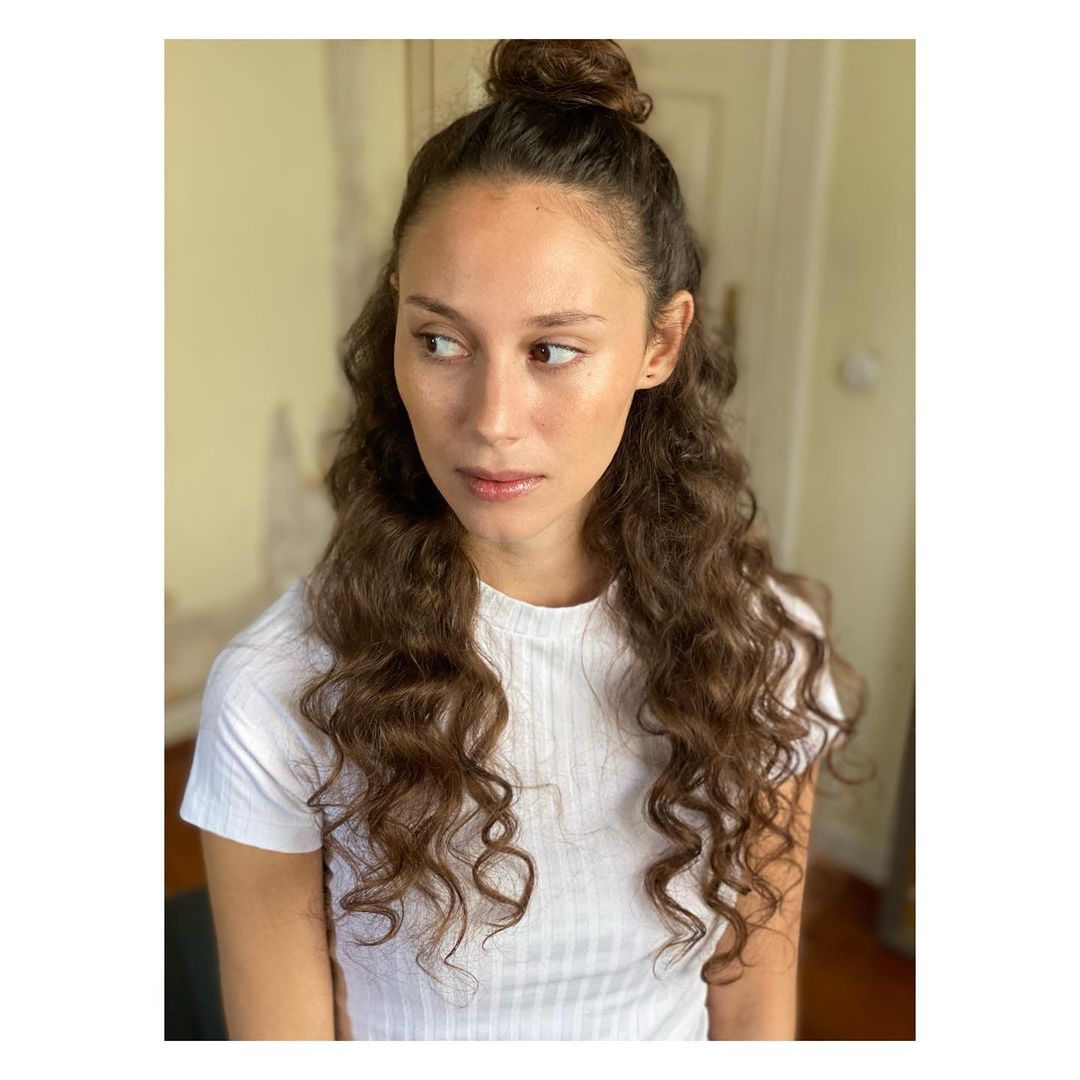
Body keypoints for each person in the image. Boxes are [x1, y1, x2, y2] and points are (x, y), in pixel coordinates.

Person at [179, 38, 864, 1041]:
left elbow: (756, 1005)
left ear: (661, 343)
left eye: (552, 349)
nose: (491, 420)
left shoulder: (761, 650)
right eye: (441, 340)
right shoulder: (283, 690)